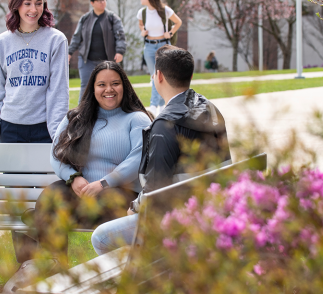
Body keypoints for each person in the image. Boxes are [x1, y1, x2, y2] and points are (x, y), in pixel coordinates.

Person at [0, 61, 152, 294]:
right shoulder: (77, 118)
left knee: (46, 216)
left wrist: (103, 183)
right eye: (101, 84)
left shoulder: (136, 119)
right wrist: (74, 179)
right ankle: (57, 281)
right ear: (92, 88)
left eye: (115, 83)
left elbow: (138, 158)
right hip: (81, 195)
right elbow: (55, 154)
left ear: (124, 86)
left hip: (118, 197)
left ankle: (37, 226)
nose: (108, 89)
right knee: (51, 196)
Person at [91, 46, 231, 255]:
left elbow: (156, 192)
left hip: (179, 217)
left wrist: (133, 208)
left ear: (159, 76)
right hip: (211, 209)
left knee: (100, 237)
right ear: (190, 75)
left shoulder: (164, 125)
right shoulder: (211, 109)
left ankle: (132, 284)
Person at [0, 0, 69, 144]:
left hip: (45, 127)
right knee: (12, 171)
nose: (33, 9)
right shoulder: (2, 42)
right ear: (16, 5)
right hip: (10, 127)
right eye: (27, 3)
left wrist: (58, 131)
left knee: (43, 170)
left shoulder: (56, 40)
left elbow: (59, 90)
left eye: (38, 3)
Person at [68, 0, 127, 101]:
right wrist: (69, 52)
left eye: (104, 0)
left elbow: (120, 36)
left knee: (109, 88)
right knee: (85, 87)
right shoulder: (85, 19)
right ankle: (82, 114)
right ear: (92, 3)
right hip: (87, 61)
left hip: (107, 61)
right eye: (99, 0)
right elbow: (77, 37)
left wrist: (120, 51)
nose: (102, 2)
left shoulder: (112, 18)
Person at [137, 0, 183, 116]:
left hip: (163, 46)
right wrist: (143, 30)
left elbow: (178, 22)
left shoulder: (165, 10)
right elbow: (141, 24)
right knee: (154, 76)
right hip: (149, 46)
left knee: (159, 75)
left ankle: (154, 105)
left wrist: (171, 32)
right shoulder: (142, 13)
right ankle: (162, 106)